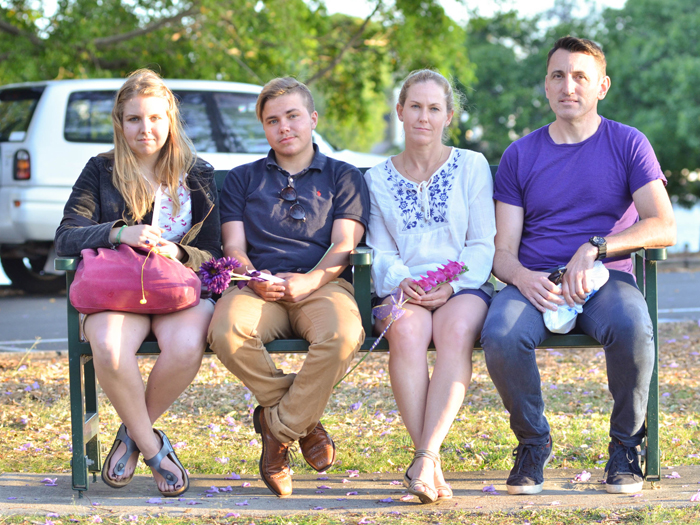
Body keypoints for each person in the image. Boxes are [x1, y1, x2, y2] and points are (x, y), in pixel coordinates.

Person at [481, 36, 676, 496]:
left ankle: (626, 447)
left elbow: (663, 224)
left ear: (601, 86)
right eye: (558, 75)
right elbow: (501, 251)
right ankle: (533, 443)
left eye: (580, 76)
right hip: (537, 282)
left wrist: (597, 247)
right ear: (546, 87)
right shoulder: (519, 155)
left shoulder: (628, 143)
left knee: (633, 327)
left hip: (605, 280)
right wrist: (523, 278)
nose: (569, 86)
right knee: (501, 334)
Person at [55, 69, 221, 497]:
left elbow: (214, 254)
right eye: (134, 119)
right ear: (119, 122)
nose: (145, 129)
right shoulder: (100, 170)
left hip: (177, 292)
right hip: (115, 294)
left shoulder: (198, 175)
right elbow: (66, 235)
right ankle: (152, 447)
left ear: (170, 120)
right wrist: (117, 232)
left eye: (154, 118)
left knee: (186, 346)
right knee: (109, 348)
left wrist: (181, 253)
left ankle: (129, 434)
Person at [208, 77, 369, 498]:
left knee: (343, 336)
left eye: (293, 116)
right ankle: (306, 424)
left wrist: (311, 280)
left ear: (312, 119)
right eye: (272, 120)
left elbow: (344, 244)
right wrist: (257, 279)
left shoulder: (343, 176)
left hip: (323, 284)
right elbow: (234, 248)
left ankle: (275, 430)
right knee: (226, 332)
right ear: (264, 127)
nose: (284, 127)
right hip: (258, 288)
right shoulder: (243, 180)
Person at [364, 69, 496, 504]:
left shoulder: (470, 166)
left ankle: (424, 456)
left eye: (434, 108)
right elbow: (380, 252)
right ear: (400, 112)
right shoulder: (377, 179)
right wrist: (402, 280)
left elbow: (481, 243)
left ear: (448, 116)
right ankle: (429, 462)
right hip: (406, 288)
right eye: (415, 107)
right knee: (405, 329)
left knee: (455, 332)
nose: (424, 116)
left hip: (463, 285)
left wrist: (454, 285)